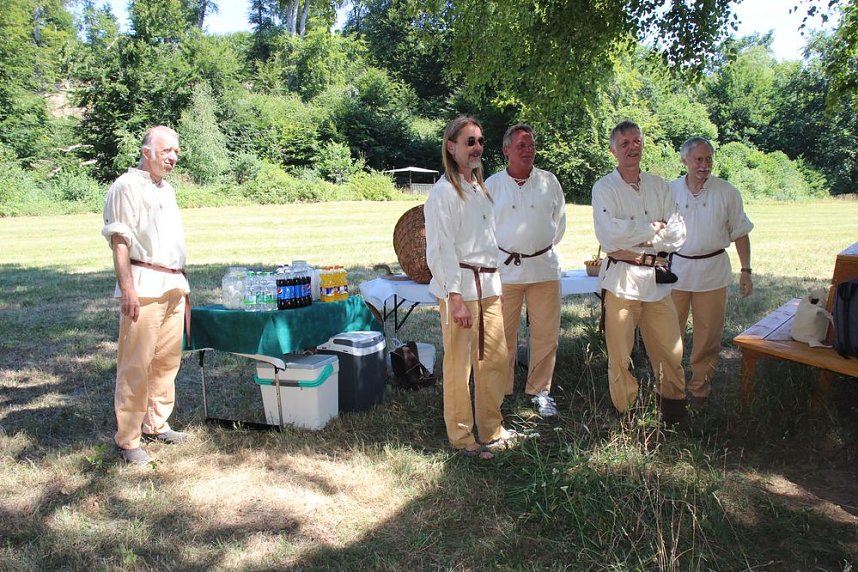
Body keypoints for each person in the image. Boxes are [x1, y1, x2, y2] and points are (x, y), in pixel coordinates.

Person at [424, 116, 519, 459]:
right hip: (461, 289)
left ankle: (492, 429)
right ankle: (462, 438)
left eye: (480, 141)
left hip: (489, 286)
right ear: (451, 147)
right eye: (470, 141)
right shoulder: (444, 193)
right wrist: (454, 296)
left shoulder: (480, 190)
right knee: (459, 366)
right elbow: (440, 248)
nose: (477, 147)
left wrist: (498, 282)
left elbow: (488, 242)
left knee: (494, 360)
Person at [102, 125, 191, 465]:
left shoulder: (167, 190)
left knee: (167, 362)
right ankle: (128, 439)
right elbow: (120, 240)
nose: (172, 157)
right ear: (146, 151)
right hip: (144, 284)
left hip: (173, 284)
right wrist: (128, 289)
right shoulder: (126, 186)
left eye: (176, 152)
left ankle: (157, 423)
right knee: (135, 364)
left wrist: (184, 285)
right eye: (167, 150)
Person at [592, 120, 688, 423]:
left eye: (637, 141)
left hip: (657, 281)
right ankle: (628, 413)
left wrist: (636, 234)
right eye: (624, 144)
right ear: (613, 150)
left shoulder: (659, 186)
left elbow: (678, 233)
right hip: (622, 280)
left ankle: (672, 411)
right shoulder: (605, 188)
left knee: (671, 351)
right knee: (620, 356)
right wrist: (651, 228)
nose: (632, 148)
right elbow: (608, 236)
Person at [486, 124, 566, 417]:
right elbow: (484, 227)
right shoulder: (492, 185)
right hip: (504, 271)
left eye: (531, 145)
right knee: (502, 334)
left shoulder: (549, 181)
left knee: (546, 334)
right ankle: (500, 389)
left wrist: (536, 246)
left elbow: (560, 223)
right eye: (521, 145)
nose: (528, 150)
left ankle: (540, 391)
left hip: (544, 268)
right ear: (506, 150)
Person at [669, 136, 754, 409]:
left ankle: (700, 390)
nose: (704, 165)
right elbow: (658, 229)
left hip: (713, 272)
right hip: (677, 270)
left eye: (708, 159)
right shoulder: (669, 191)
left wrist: (746, 270)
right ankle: (670, 388)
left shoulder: (727, 192)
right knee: (670, 333)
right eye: (698, 159)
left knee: (708, 335)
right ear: (685, 160)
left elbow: (740, 233)